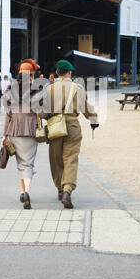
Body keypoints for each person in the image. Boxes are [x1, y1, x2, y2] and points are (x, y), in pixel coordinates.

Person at [42, 59, 99, 209]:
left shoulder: (49, 89)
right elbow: (86, 107)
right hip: (73, 125)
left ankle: (60, 189)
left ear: (56, 73)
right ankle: (68, 190)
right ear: (70, 72)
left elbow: (42, 111)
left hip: (55, 126)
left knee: (56, 159)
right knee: (71, 158)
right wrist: (93, 120)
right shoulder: (78, 88)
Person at [1, 59, 41, 210]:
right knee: (28, 163)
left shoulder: (11, 91)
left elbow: (8, 116)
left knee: (20, 164)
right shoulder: (36, 91)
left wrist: (4, 136)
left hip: (14, 131)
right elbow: (43, 114)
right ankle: (27, 191)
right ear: (31, 76)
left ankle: (23, 192)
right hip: (31, 131)